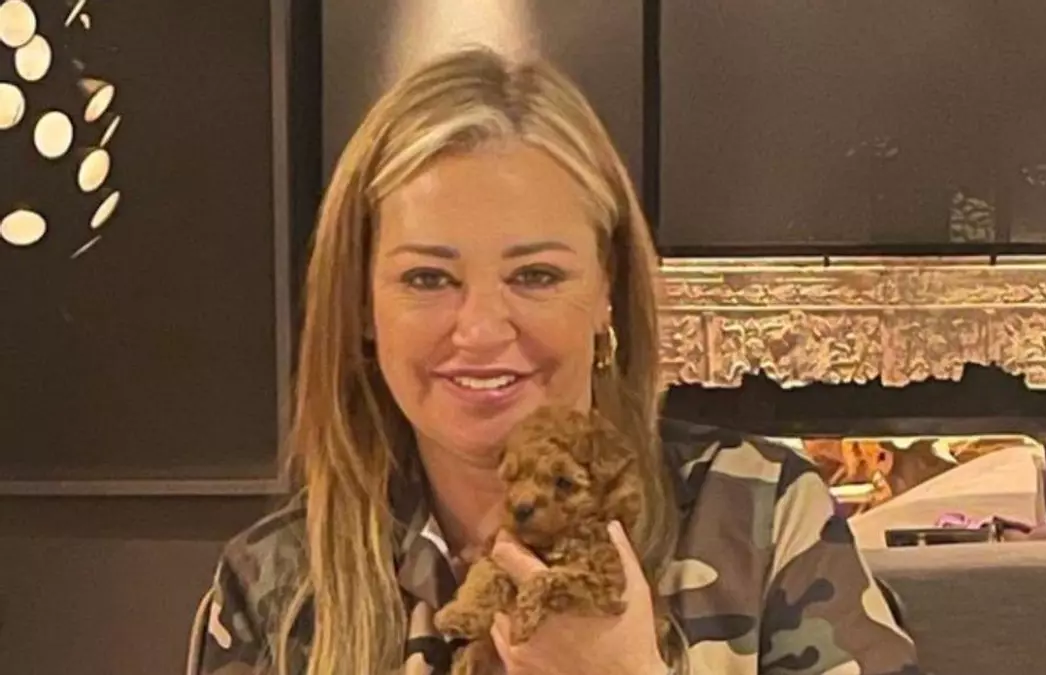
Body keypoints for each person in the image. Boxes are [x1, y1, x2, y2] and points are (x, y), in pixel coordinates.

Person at [197, 47, 921, 675]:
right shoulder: (275, 585)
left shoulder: (759, 516)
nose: (481, 329)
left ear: (607, 289)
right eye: (428, 278)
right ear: (361, 304)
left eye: (536, 275)